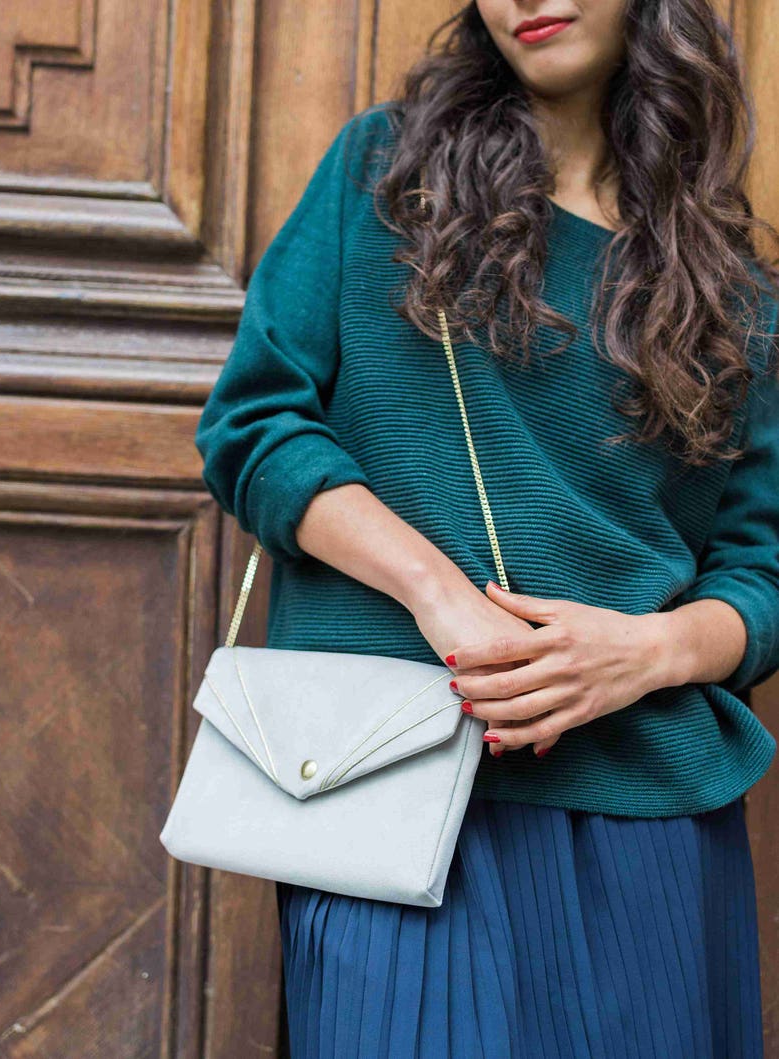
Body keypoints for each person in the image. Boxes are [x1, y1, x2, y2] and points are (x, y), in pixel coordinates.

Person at [195, 1, 779, 1055]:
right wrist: (438, 595)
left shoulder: (735, 296)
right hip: (384, 787)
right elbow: (255, 425)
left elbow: (760, 570)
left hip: (642, 813)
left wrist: (642, 653)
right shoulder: (383, 174)